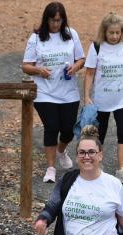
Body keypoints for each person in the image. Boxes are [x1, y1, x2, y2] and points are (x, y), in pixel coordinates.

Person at [23, 2, 85, 183]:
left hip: (68, 92)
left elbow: (81, 58)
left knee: (67, 129)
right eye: (52, 20)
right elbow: (26, 66)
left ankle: (60, 150)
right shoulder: (36, 38)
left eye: (59, 20)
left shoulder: (71, 35)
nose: (56, 24)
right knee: (51, 126)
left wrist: (75, 67)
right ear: (46, 19)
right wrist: (39, 71)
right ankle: (50, 168)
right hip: (44, 92)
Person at [83, 12, 123, 185]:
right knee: (99, 134)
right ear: (104, 32)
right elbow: (89, 73)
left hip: (122, 98)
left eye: (117, 32)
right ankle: (94, 167)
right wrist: (86, 96)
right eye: (111, 33)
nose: (115, 36)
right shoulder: (96, 46)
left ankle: (122, 170)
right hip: (101, 101)